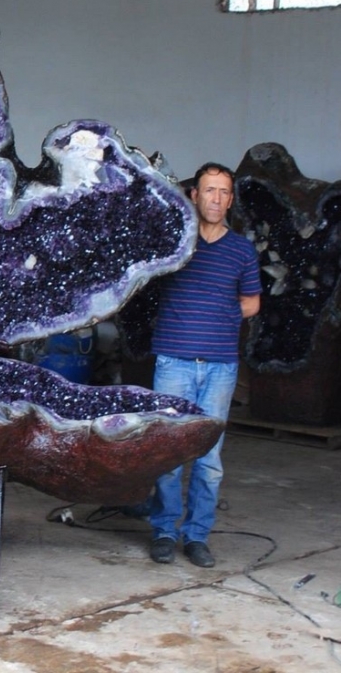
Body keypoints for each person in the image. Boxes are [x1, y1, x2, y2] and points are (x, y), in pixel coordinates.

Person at [148, 162, 261, 568]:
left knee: (209, 461)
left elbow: (251, 303)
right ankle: (164, 531)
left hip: (219, 367)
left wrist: (221, 313)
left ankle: (196, 536)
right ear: (193, 195)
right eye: (209, 190)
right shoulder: (173, 244)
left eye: (224, 192)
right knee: (167, 452)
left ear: (230, 200)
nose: (216, 198)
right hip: (173, 362)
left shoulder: (242, 250)